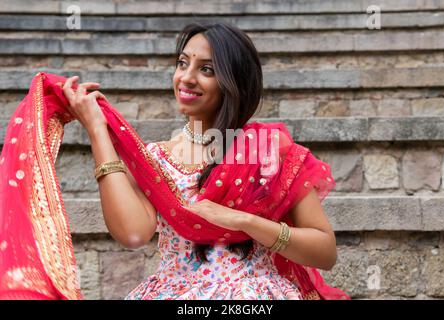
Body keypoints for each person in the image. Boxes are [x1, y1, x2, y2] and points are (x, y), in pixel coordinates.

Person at [0, 22, 349, 300]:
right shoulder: (156, 159)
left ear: (234, 83)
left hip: (253, 292)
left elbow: (325, 252)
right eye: (183, 63)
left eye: (206, 69)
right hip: (172, 291)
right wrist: (97, 131)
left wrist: (242, 220)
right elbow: (134, 233)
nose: (186, 77)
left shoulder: (267, 151)